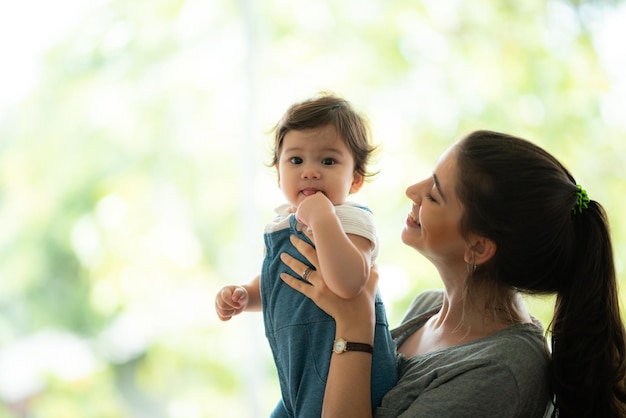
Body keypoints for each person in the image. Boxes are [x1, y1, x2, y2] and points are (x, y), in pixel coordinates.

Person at [280, 130, 626, 417]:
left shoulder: (501, 371)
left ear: (478, 248)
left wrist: (354, 327)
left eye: (434, 193)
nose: (412, 191)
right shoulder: (426, 308)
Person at [214, 93, 397, 417]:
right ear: (279, 171)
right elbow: (280, 279)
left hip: (347, 366)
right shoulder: (280, 225)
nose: (310, 171)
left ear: (355, 178)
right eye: (296, 160)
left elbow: (350, 284)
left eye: (328, 161)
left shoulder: (349, 218)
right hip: (295, 369)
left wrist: (323, 218)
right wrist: (245, 294)